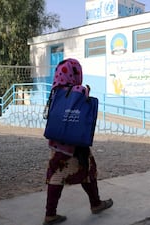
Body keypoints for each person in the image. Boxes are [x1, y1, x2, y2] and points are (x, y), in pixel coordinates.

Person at [43, 58, 113, 225]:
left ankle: (50, 214)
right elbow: (85, 107)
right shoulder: (78, 90)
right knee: (88, 171)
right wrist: (86, 90)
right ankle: (96, 204)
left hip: (57, 143)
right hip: (75, 145)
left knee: (57, 175)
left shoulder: (55, 93)